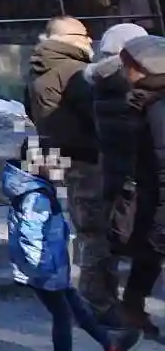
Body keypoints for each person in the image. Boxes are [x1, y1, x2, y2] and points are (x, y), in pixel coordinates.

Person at [6, 151, 142, 351]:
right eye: (54, 163)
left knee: (77, 308)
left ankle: (110, 344)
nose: (59, 167)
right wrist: (43, 270)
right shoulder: (36, 198)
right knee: (63, 315)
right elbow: (30, 238)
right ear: (36, 165)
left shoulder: (39, 190)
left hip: (53, 268)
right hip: (45, 270)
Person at [29, 16, 114, 317]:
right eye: (83, 34)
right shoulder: (75, 72)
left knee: (88, 230)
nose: (89, 40)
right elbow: (98, 117)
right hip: (88, 160)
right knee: (96, 233)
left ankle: (97, 300)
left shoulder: (38, 70)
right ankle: (99, 303)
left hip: (65, 159)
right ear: (66, 38)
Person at [90, 23, 150, 328]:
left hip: (108, 172)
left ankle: (110, 306)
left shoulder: (92, 81)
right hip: (138, 176)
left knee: (107, 241)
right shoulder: (136, 85)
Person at [111, 33, 165, 334]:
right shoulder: (144, 98)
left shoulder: (158, 105)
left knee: (150, 252)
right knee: (147, 256)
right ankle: (132, 310)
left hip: (157, 198)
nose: (122, 71)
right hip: (147, 195)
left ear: (145, 67)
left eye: (126, 65)